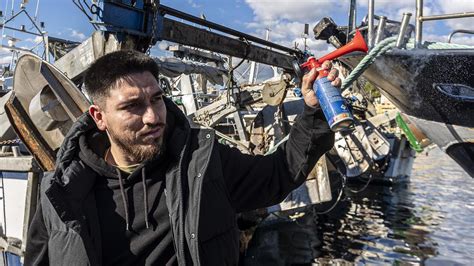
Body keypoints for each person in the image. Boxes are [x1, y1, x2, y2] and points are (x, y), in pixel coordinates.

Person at [24, 50, 337, 265]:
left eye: (157, 99)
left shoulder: (202, 163)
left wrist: (313, 112)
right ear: (99, 117)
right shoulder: (62, 193)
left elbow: (277, 175)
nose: (152, 117)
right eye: (132, 106)